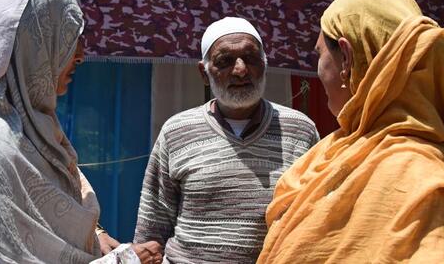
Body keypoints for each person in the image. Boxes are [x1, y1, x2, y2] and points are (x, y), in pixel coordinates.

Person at [0, 0, 162, 264]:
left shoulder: (34, 131)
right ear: (30, 44)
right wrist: (123, 261)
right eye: (64, 36)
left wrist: (94, 237)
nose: (80, 54)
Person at [258, 0, 444, 263]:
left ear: (346, 57)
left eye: (319, 54)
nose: (317, 69)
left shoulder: (425, 181)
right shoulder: (339, 148)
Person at [133, 17, 320, 263]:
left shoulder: (300, 131)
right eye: (225, 61)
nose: (241, 70)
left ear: (264, 65)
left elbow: (318, 218)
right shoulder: (176, 131)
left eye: (251, 58)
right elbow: (152, 229)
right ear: (204, 72)